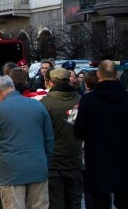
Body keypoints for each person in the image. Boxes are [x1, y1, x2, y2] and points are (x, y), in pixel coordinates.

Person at [0, 75, 54, 209]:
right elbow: (49, 140)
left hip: (11, 172)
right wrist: (45, 162)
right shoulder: (38, 105)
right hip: (38, 168)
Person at [73, 60, 128, 208]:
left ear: (98, 75)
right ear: (116, 74)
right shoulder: (125, 98)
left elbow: (79, 131)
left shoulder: (89, 100)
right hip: (124, 158)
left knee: (100, 202)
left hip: (97, 158)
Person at [39, 68, 83, 209]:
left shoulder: (44, 104)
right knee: (74, 202)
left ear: (51, 83)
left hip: (54, 162)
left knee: (56, 202)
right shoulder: (80, 100)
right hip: (75, 160)